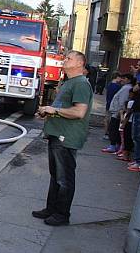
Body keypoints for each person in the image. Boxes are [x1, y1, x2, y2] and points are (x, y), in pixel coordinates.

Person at [32, 50, 94, 226]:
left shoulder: (81, 83)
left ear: (80, 64)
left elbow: (79, 112)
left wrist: (55, 110)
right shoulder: (69, 82)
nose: (64, 60)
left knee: (64, 177)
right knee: (56, 175)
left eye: (69, 58)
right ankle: (51, 209)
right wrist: (48, 111)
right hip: (57, 134)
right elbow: (62, 108)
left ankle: (62, 214)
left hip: (66, 137)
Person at [102, 74, 132, 153]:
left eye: (124, 78)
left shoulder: (126, 88)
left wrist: (120, 112)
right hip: (117, 111)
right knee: (114, 129)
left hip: (117, 112)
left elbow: (122, 101)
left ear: (128, 80)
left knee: (113, 128)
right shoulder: (125, 88)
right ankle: (115, 146)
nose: (122, 80)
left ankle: (114, 146)